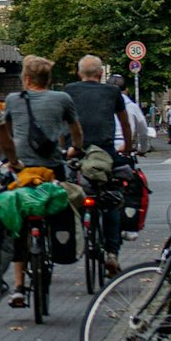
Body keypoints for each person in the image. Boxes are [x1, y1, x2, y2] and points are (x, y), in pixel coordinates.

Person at [5, 56, 83, 306]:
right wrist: (75, 149)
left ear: (26, 79)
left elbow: (5, 134)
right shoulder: (62, 99)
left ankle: (18, 286)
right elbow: (76, 131)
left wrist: (7, 157)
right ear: (48, 79)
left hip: (23, 170)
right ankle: (58, 242)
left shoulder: (13, 100)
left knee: (19, 221)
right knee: (60, 203)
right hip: (52, 169)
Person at [65, 56, 133, 274]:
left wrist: (63, 149)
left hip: (76, 153)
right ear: (101, 74)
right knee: (111, 200)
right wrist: (128, 148)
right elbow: (124, 122)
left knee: (69, 189)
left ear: (79, 73)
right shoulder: (112, 93)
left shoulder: (69, 90)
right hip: (105, 154)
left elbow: (63, 122)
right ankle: (112, 253)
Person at [109, 74, 147, 157]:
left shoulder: (102, 104)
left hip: (106, 147)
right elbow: (143, 131)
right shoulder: (132, 107)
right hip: (126, 146)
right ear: (126, 90)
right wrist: (143, 149)